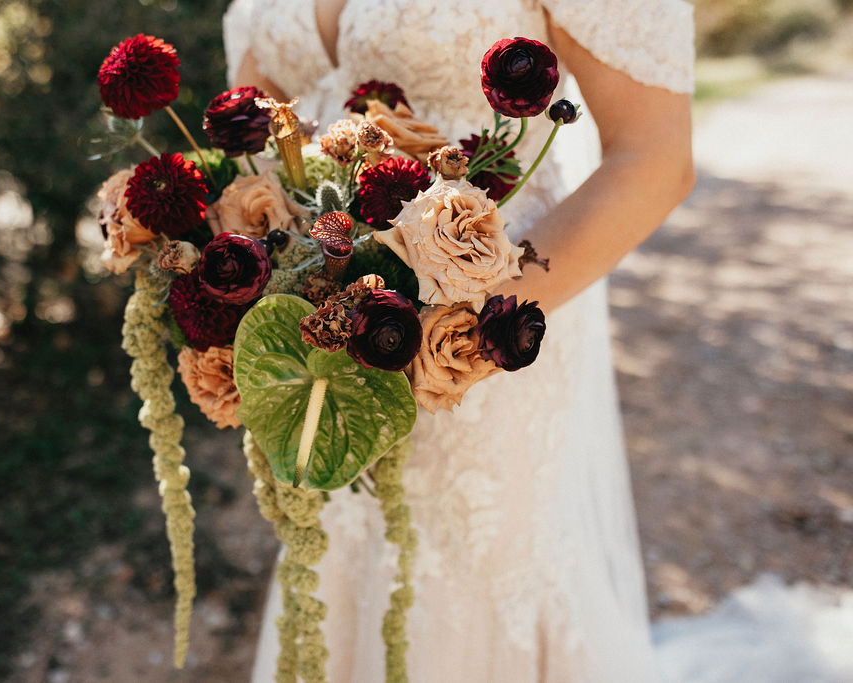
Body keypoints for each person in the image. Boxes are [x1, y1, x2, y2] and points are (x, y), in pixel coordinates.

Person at [223, 0, 695, 680]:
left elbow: (655, 158)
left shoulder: (472, 341)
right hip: (319, 345)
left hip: (483, 349)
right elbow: (254, 130)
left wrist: (463, 337)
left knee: (466, 581)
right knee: (340, 557)